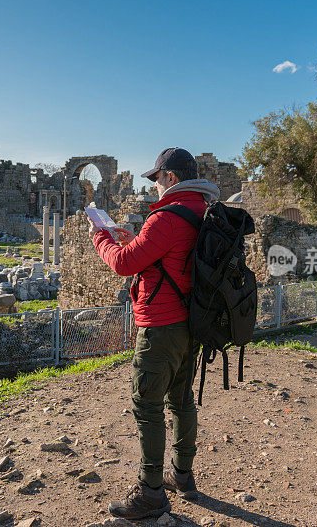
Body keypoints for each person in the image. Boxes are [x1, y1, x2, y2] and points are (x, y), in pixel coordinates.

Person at [88, 147, 220, 519]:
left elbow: (124, 264)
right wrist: (134, 235)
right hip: (191, 323)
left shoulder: (166, 217)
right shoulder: (199, 210)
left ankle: (150, 492)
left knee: (147, 405)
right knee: (180, 399)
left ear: (172, 178)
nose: (156, 185)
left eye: (158, 178)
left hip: (160, 325)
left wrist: (102, 236)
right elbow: (166, 256)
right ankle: (183, 475)